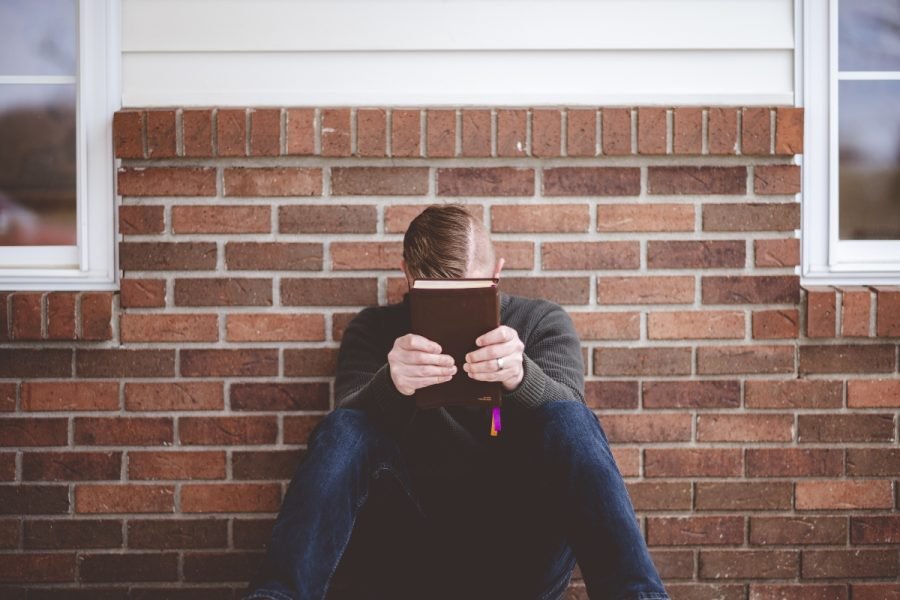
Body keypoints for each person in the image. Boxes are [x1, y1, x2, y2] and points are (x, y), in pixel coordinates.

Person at [244, 204, 670, 600]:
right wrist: (391, 384)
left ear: (497, 275)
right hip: (408, 546)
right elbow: (342, 441)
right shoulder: (375, 330)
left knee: (568, 416)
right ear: (407, 277)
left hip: (520, 546)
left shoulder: (541, 322)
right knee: (345, 426)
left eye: (471, 294)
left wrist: (522, 378)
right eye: (431, 297)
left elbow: (576, 430)